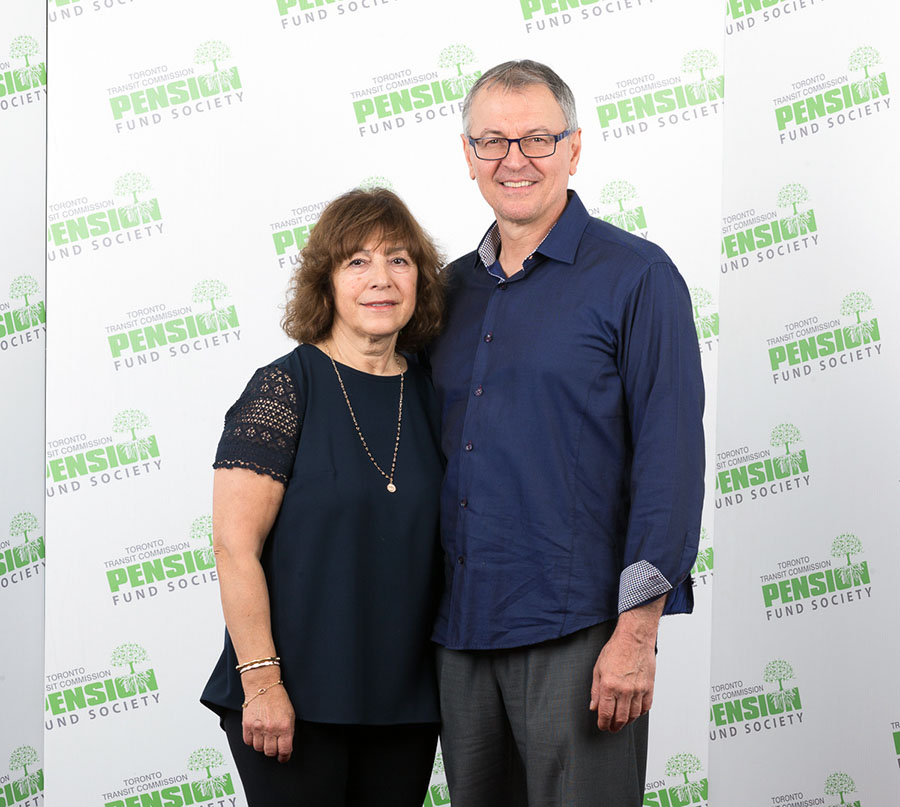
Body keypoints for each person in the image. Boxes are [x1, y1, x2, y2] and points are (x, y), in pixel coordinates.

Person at [426, 61, 705, 805]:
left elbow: (670, 461)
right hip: (460, 633)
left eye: (537, 139)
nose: (513, 159)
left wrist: (637, 632)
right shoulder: (445, 293)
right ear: (467, 155)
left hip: (581, 631)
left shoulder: (637, 277)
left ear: (574, 149)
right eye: (492, 141)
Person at [201, 188, 446, 806]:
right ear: (326, 281)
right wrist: (261, 684)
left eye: (399, 259)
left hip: (406, 705)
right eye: (357, 261)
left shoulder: (435, 395)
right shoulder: (285, 388)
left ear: (420, 277)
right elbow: (234, 546)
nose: (381, 279)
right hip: (290, 700)